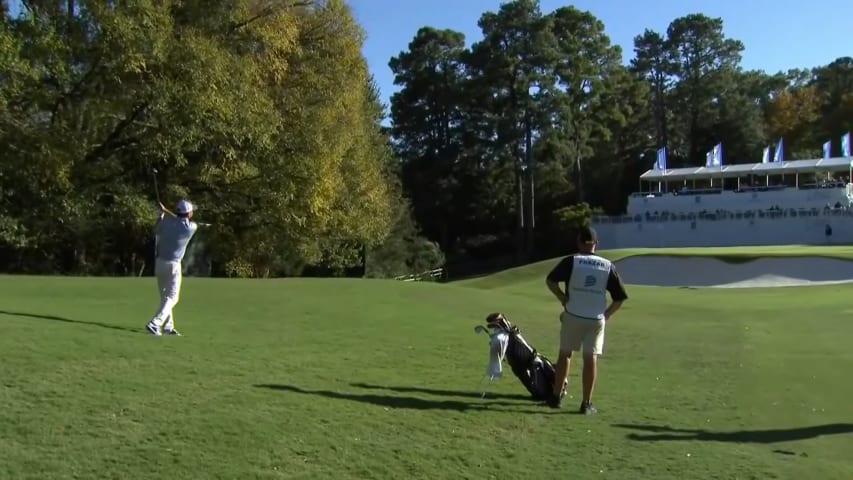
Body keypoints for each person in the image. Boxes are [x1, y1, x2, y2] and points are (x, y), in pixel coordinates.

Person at [544, 225, 628, 414]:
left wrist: (561, 297)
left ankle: (556, 397)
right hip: (595, 319)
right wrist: (607, 315)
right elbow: (620, 297)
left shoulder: (572, 261)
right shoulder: (607, 266)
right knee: (591, 359)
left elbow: (550, 280)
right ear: (596, 244)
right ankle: (586, 403)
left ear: (579, 242)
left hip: (573, 314)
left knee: (565, 354)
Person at [145, 199, 201, 336]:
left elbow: (157, 229)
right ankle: (155, 323)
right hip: (173, 265)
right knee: (172, 297)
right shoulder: (190, 227)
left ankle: (168, 327)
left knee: (166, 298)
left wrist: (161, 214)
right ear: (189, 214)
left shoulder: (165, 222)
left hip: (160, 263)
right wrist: (166, 211)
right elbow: (180, 220)